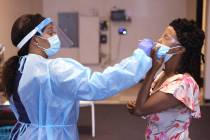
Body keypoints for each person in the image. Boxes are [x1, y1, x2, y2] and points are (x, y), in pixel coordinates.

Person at [2, 13, 153, 140]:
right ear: (35, 40)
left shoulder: (16, 70)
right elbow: (99, 85)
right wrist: (140, 57)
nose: (55, 37)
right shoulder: (54, 70)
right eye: (50, 32)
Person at [127, 18, 205, 140]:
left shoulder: (183, 84)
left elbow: (140, 110)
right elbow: (144, 106)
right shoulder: (164, 74)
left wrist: (152, 70)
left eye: (166, 37)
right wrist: (139, 105)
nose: (159, 40)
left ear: (180, 49)